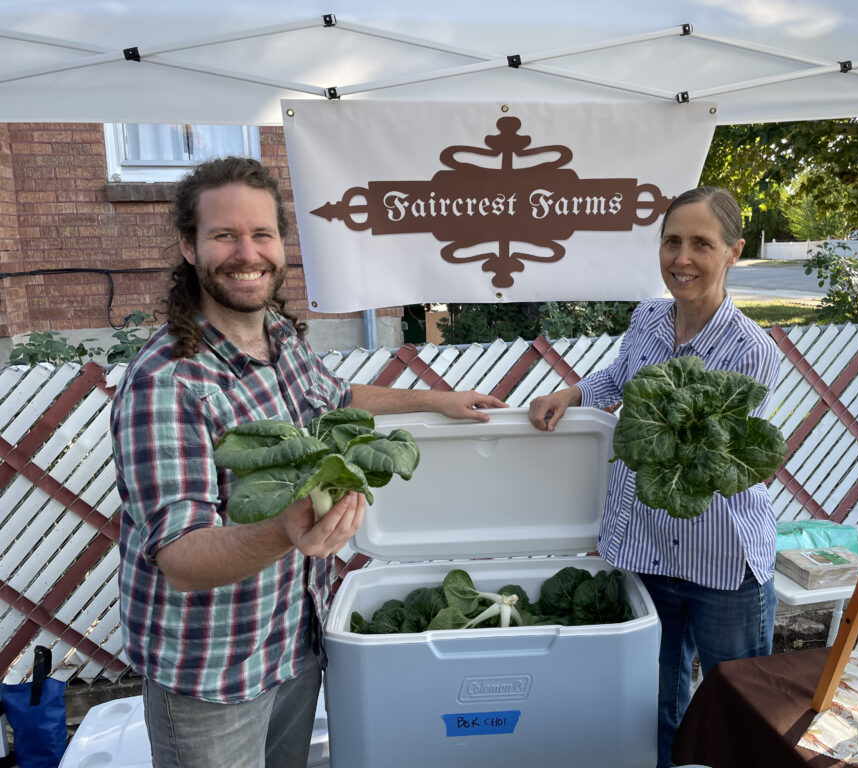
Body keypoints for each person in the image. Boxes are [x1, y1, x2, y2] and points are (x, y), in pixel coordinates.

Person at [111, 156, 506, 768]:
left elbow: (335, 399)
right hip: (211, 673)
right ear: (189, 246)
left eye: (261, 234)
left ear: (280, 243)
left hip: (296, 643)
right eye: (224, 235)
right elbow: (181, 558)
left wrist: (435, 399)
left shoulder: (278, 334)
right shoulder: (166, 381)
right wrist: (284, 532)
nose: (248, 252)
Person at [527, 186, 780, 768]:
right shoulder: (647, 317)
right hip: (645, 551)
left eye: (700, 243)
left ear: (733, 252)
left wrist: (671, 436)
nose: (681, 258)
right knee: (654, 703)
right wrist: (571, 393)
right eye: (672, 242)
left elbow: (730, 457)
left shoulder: (751, 351)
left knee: (737, 704)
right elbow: (619, 379)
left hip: (721, 559)